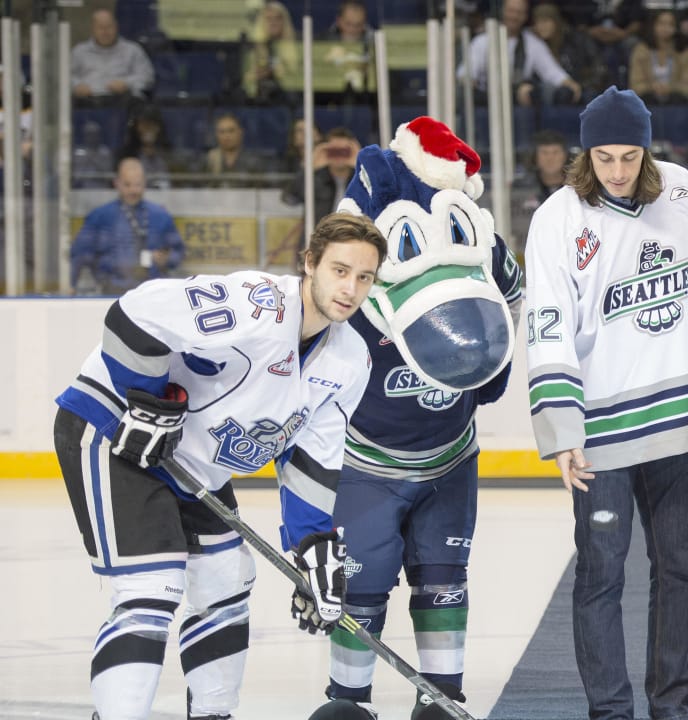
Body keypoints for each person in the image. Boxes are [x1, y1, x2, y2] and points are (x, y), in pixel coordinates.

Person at [53, 212, 387, 720]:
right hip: (113, 431)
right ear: (310, 263)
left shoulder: (351, 360)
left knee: (226, 583)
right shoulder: (255, 305)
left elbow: (311, 461)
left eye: (364, 277)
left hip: (193, 465)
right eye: (340, 270)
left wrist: (313, 545)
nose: (350, 288)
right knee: (151, 589)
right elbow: (135, 314)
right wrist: (146, 399)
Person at [523, 86, 688, 720]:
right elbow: (546, 324)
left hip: (678, 426)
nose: (617, 172)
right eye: (604, 158)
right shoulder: (558, 219)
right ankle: (610, 712)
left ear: (648, 150)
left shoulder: (681, 191)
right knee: (601, 577)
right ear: (585, 154)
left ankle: (670, 707)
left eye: (628, 156)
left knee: (680, 572)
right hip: (600, 438)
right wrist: (563, 429)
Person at [309, 116, 524, 720]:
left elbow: (511, 291)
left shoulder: (478, 245)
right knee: (363, 580)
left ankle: (443, 694)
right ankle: (349, 699)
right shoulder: (364, 264)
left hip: (449, 454)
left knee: (443, 575)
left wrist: (495, 364)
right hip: (366, 460)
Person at [70, 157, 184, 296]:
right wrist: (72, 284)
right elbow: (79, 254)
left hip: (152, 293)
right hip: (111, 292)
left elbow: (179, 252)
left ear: (145, 184)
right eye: (127, 184)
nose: (133, 190)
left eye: (138, 184)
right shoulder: (99, 216)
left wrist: (167, 259)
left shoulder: (160, 216)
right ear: (117, 183)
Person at [461, 0, 583, 107]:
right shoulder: (482, 41)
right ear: (503, 11)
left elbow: (551, 72)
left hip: (519, 106)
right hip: (486, 104)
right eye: (511, 11)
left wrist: (569, 84)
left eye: (519, 12)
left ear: (525, 16)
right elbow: (466, 74)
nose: (514, 16)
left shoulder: (532, 43)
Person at [70, 8, 155, 101]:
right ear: (93, 29)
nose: (105, 32)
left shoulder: (132, 50)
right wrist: (77, 85)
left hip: (124, 103)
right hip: (87, 104)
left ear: (116, 27)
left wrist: (127, 83)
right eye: (101, 27)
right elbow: (65, 77)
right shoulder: (79, 51)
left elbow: (147, 77)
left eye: (109, 27)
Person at [510, 129, 570, 256]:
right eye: (544, 153)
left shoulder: (578, 189)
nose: (550, 158)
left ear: (565, 156)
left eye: (555, 152)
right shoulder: (519, 189)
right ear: (535, 157)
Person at [283, 127, 363, 214]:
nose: (339, 156)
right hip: (322, 227)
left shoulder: (362, 179)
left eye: (344, 151)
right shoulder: (316, 178)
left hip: (356, 227)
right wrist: (310, 168)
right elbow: (289, 198)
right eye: (334, 151)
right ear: (325, 151)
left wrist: (363, 166)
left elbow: (378, 200)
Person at [628, 9, 688, 108]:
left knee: (677, 99)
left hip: (676, 99)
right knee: (646, 99)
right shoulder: (641, 50)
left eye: (670, 24)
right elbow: (635, 84)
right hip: (648, 97)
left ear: (676, 27)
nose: (665, 28)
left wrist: (670, 88)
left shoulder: (685, 52)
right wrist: (652, 87)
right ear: (653, 26)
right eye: (661, 23)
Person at [242, 0, 302, 103]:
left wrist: (281, 72)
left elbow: (299, 79)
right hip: (256, 99)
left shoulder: (297, 46)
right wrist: (256, 75)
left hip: (287, 98)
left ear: (284, 21)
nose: (273, 23)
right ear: (262, 22)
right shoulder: (251, 48)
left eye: (278, 18)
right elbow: (245, 80)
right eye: (268, 19)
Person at [202, 113, 267, 187]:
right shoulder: (208, 159)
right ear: (216, 135)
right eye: (222, 132)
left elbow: (263, 189)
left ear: (240, 132)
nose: (226, 136)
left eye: (231, 131)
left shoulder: (254, 161)